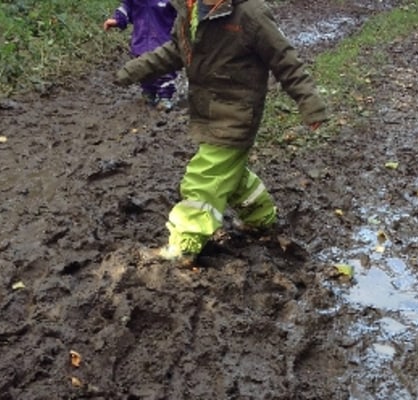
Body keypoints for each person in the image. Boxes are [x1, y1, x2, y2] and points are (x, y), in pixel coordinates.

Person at [114, 0, 329, 264]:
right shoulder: (190, 10)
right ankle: (261, 218)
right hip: (207, 110)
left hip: (236, 115)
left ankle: (184, 243)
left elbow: (286, 60)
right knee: (231, 174)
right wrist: (136, 70)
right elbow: (176, 50)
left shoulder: (251, 14)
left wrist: (311, 104)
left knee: (204, 177)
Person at [104, 0, 177, 111]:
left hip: (162, 41)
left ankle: (165, 97)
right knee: (143, 70)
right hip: (141, 41)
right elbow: (126, 9)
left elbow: (182, 14)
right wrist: (117, 20)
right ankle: (148, 93)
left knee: (165, 71)